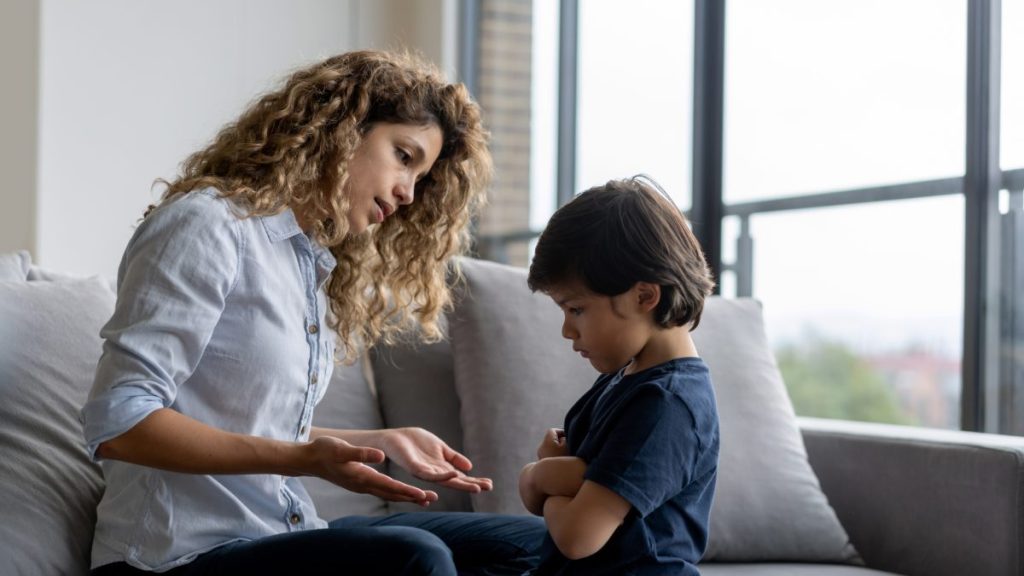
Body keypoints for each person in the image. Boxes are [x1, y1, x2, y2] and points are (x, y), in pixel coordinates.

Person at [81, 50, 544, 575]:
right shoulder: (207, 226)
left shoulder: (310, 262)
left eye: (420, 177)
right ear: (342, 129)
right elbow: (120, 421)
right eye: (404, 156)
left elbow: (252, 424)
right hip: (176, 556)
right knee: (416, 558)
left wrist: (377, 443)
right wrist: (302, 460)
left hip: (279, 532)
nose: (408, 192)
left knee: (530, 544)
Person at [518, 176, 720, 575]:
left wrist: (541, 476)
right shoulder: (626, 377)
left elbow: (578, 537)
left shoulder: (667, 405)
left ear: (644, 297)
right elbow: (556, 490)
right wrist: (562, 475)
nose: (566, 330)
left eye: (576, 309)